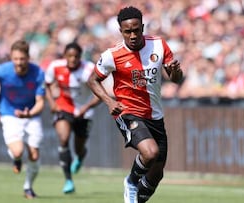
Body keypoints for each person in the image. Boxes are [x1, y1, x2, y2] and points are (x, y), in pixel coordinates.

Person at [87, 6, 183, 203]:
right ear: (120, 31)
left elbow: (175, 79)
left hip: (155, 115)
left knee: (156, 173)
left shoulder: (158, 45)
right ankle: (131, 182)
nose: (132, 35)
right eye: (127, 31)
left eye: (136, 30)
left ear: (143, 27)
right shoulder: (112, 55)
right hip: (128, 111)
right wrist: (108, 101)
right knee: (150, 152)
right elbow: (92, 80)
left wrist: (176, 71)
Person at [0, 40, 45, 199]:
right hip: (9, 113)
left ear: (28, 58)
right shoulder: (3, 71)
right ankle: (17, 160)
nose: (19, 63)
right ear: (11, 57)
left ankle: (28, 187)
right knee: (17, 151)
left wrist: (29, 114)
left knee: (35, 156)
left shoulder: (38, 73)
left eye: (22, 59)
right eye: (15, 59)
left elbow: (40, 103)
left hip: (31, 115)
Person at [44, 42, 100, 194]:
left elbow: (101, 94)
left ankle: (81, 156)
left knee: (78, 147)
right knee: (63, 139)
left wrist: (86, 108)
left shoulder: (89, 70)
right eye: (70, 56)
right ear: (64, 56)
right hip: (64, 108)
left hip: (84, 112)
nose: (73, 59)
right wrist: (52, 103)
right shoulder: (55, 66)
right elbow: (46, 84)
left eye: (76, 56)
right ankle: (68, 180)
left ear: (80, 57)